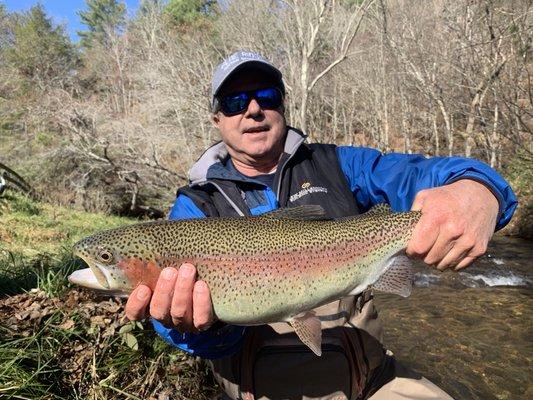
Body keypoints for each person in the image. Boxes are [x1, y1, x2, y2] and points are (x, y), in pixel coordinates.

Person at [125, 51, 517, 399]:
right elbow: (185, 336)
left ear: (283, 105)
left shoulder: (340, 166)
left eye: (267, 96)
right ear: (217, 118)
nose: (253, 109)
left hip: (372, 383)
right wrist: (201, 327)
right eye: (235, 101)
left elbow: (419, 175)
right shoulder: (196, 206)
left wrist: (479, 189)